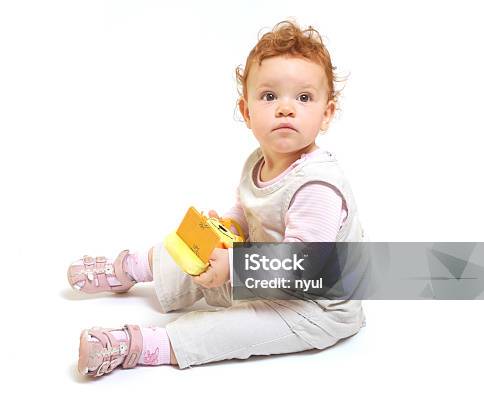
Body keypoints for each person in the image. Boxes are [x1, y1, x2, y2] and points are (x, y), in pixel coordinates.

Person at [68, 19, 367, 378]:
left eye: (303, 98)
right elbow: (248, 209)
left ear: (326, 114)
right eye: (270, 96)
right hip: (263, 275)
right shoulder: (260, 161)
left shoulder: (317, 185)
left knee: (230, 329)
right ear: (247, 111)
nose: (286, 108)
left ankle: (139, 346)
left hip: (314, 307)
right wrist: (226, 228)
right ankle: (130, 268)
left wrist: (234, 267)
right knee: (196, 252)